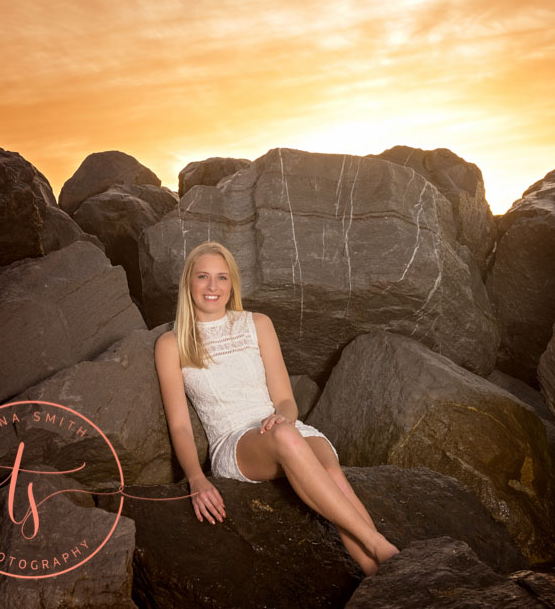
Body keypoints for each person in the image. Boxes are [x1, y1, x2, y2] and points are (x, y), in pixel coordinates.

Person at [154, 241, 399, 576]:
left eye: (222, 278)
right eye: (203, 277)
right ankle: (379, 544)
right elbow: (179, 425)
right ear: (188, 284)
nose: (213, 286)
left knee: (328, 473)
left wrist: (284, 416)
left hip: (283, 426)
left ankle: (383, 575)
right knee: (287, 438)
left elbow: (285, 399)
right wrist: (196, 479)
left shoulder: (258, 323)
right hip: (236, 442)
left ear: (232, 285)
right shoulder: (171, 344)